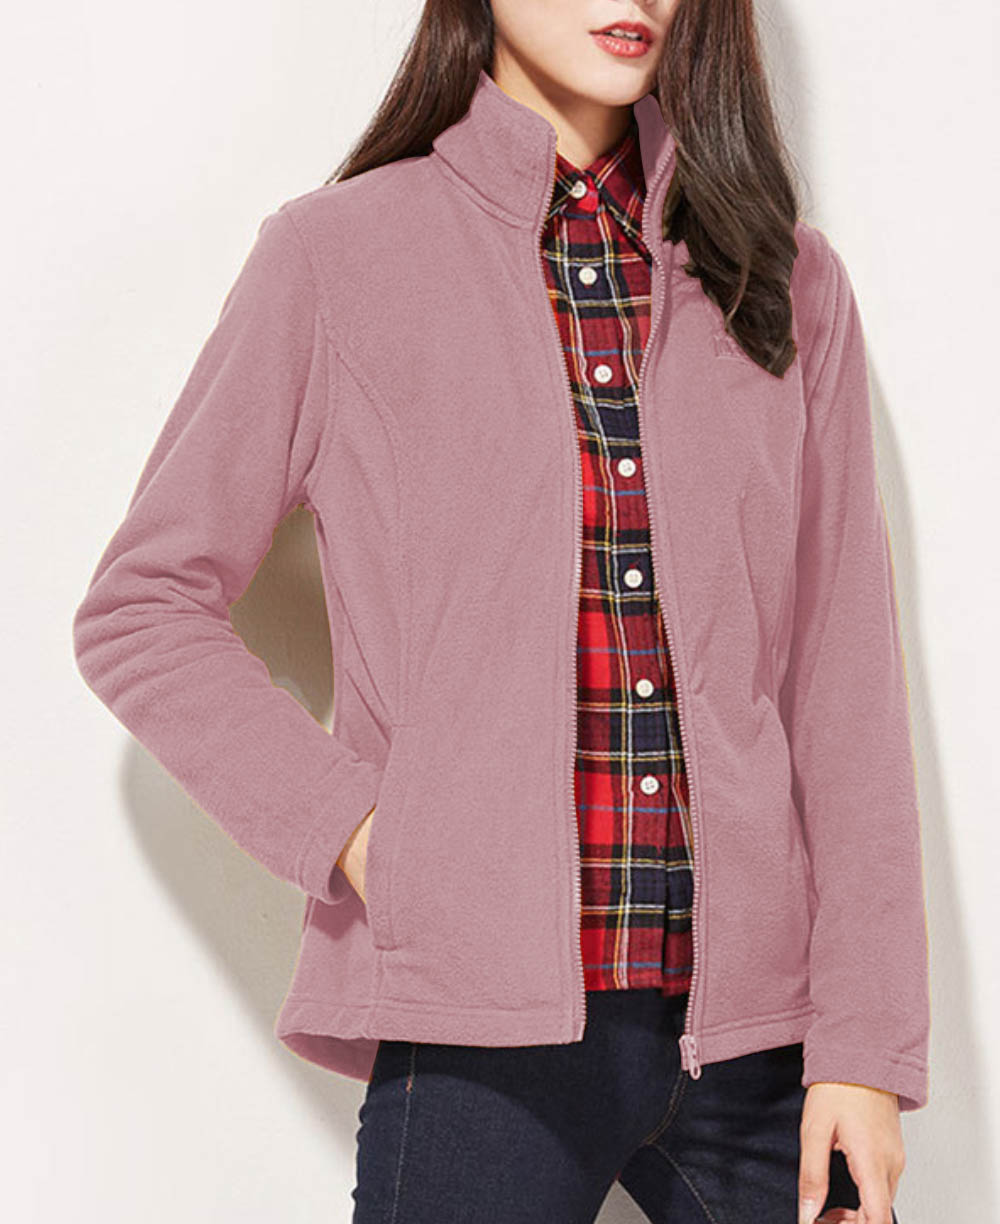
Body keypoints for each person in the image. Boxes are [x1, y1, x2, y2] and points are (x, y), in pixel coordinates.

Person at [72, 1, 931, 1220]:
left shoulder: (786, 280)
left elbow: (843, 689)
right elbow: (141, 608)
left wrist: (863, 1049)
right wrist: (364, 834)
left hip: (765, 1048)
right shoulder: (337, 258)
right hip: (477, 1039)